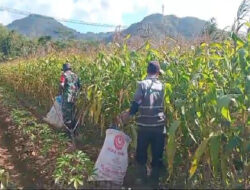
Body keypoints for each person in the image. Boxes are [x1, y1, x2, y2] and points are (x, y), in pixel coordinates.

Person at [117, 61, 166, 188]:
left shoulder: (142, 85)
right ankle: (155, 183)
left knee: (141, 155)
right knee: (157, 156)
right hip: (159, 126)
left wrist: (128, 114)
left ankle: (141, 181)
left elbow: (136, 104)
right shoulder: (161, 86)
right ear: (157, 73)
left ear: (148, 71)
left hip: (144, 127)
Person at [60, 63, 81, 129]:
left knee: (66, 115)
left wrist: (60, 92)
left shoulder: (64, 75)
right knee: (73, 114)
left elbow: (62, 85)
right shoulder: (75, 75)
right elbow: (79, 86)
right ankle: (74, 131)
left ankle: (69, 132)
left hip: (67, 97)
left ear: (64, 69)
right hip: (75, 97)